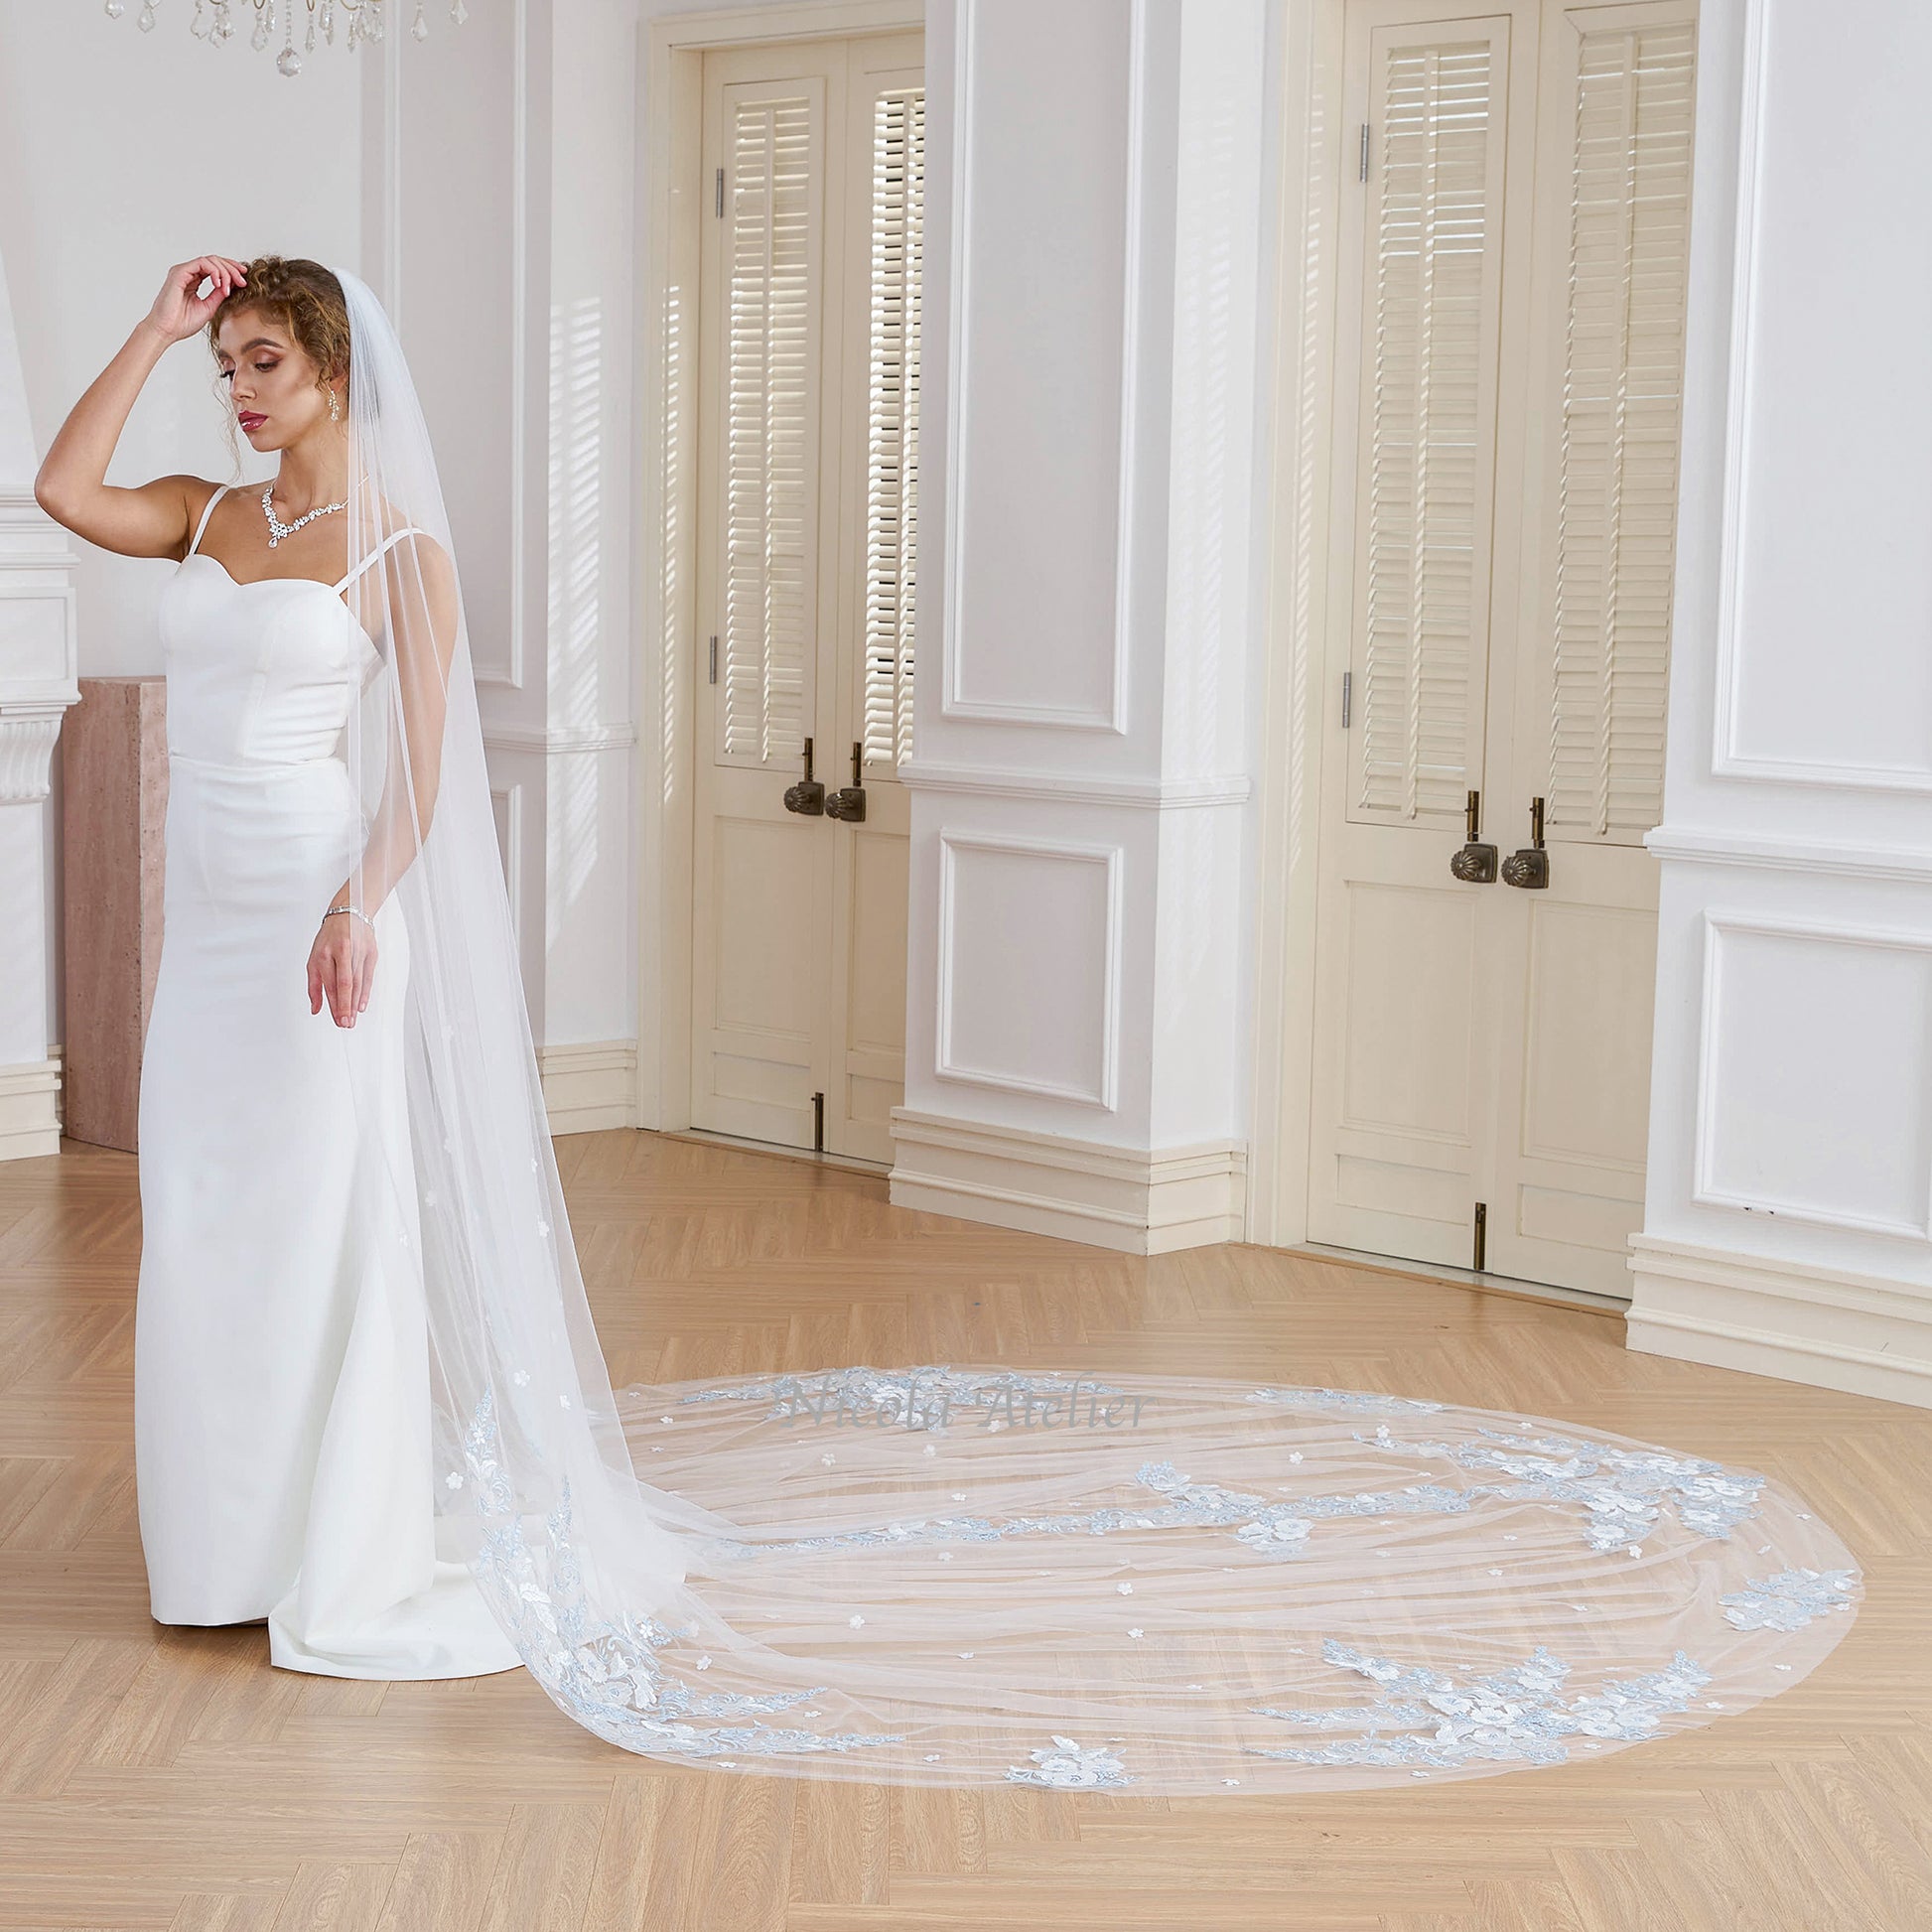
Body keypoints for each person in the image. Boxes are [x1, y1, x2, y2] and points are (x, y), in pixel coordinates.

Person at [30, 254, 1863, 1790]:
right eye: (225, 367)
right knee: (211, 1228)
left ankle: (328, 1552)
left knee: (331, 1239)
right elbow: (57, 489)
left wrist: (366, 898)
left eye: (261, 362)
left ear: (337, 366)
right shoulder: (204, 516)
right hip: (212, 937)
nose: (240, 394)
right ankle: (220, 1557)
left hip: (329, 930)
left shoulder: (395, 546)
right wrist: (147, 318)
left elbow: (431, 766)